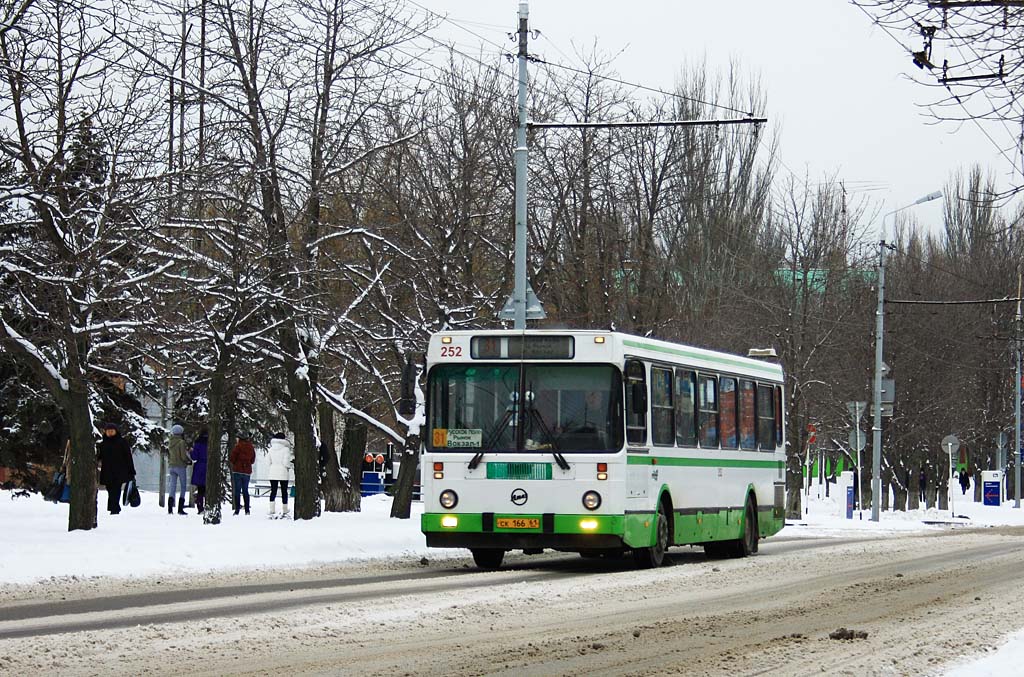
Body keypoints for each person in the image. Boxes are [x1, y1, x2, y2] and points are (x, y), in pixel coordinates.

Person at [96, 422, 135, 515]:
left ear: (116, 431)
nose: (109, 433)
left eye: (112, 431)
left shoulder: (121, 442)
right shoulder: (103, 444)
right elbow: (99, 457)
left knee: (116, 489)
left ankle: (115, 508)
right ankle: (113, 507)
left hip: (119, 471)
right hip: (107, 471)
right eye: (108, 431)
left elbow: (128, 457)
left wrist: (131, 471)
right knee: (110, 489)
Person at [266, 432, 294, 517]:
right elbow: (286, 462)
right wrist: (288, 467)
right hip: (283, 472)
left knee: (273, 491)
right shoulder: (286, 449)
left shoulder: (270, 449)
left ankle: (272, 509)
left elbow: (267, 462)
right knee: (284, 491)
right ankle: (285, 509)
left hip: (273, 472)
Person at [229, 432, 256, 515]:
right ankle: (247, 510)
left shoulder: (238, 447)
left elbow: (232, 458)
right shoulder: (251, 447)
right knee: (245, 490)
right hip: (247, 471)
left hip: (237, 470)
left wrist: (236, 463)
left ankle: (237, 509)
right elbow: (253, 460)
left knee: (237, 490)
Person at [167, 424, 190, 515]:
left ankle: (170, 508)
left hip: (171, 465)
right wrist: (188, 461)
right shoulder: (181, 442)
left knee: (172, 487)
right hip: (180, 466)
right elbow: (183, 456)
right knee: (183, 486)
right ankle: (180, 508)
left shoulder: (170, 442)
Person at [190, 428, 209, 514]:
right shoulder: (211, 443)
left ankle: (200, 507)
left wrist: (191, 452)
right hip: (208, 467)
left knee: (200, 489)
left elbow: (194, 457)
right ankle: (208, 506)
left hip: (199, 467)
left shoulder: (198, 443)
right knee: (208, 489)